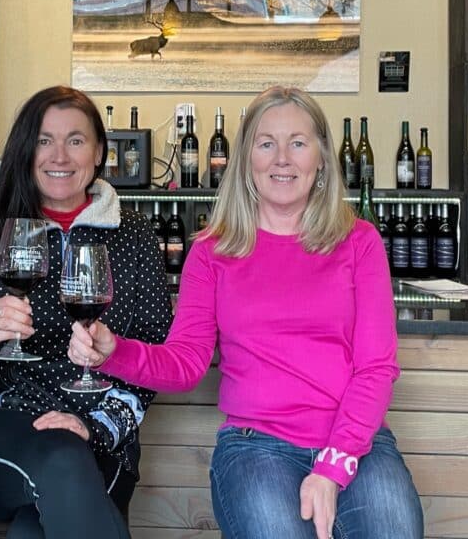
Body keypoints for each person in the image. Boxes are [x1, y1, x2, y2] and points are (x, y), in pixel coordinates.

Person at [68, 86, 424, 539]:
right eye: (266, 143)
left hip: (357, 444)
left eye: (298, 142)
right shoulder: (213, 250)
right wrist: (112, 352)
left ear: (320, 158)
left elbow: (376, 368)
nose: (282, 158)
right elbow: (186, 364)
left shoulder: (359, 242)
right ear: (245, 160)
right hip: (257, 448)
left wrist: (334, 465)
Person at [0, 85, 172, 539]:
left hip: (103, 434)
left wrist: (97, 425)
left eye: (76, 140)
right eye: (44, 140)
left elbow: (155, 357)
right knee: (62, 460)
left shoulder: (134, 236)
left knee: (33, 532)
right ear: (26, 150)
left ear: (100, 150)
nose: (59, 155)